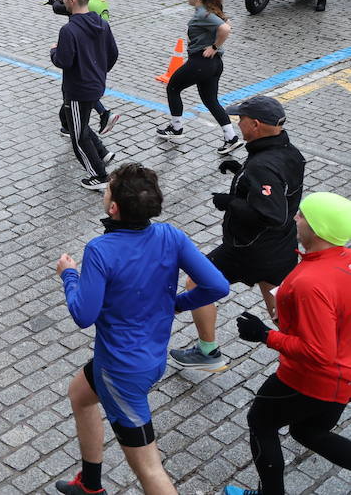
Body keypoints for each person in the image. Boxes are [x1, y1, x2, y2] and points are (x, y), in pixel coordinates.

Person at [53, 164, 229, 495]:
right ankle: (90, 485)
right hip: (147, 358)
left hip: (120, 373)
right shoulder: (171, 236)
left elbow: (83, 314)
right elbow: (217, 286)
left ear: (114, 207)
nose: (104, 192)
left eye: (107, 189)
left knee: (149, 469)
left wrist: (69, 275)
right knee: (80, 394)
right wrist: (177, 303)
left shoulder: (100, 250)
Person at [221, 192, 351, 495]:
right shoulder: (344, 262)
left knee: (261, 422)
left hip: (308, 380)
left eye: (303, 215)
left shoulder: (311, 283)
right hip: (340, 381)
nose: (296, 219)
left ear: (318, 229)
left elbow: (319, 353)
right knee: (308, 430)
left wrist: (264, 335)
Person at [169, 95, 304, 373]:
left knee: (197, 283)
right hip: (281, 250)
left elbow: (273, 213)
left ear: (255, 125)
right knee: (282, 313)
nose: (237, 122)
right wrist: (241, 175)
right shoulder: (290, 153)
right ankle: (314, 356)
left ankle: (208, 352)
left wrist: (231, 201)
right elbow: (278, 191)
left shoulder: (262, 165)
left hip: (247, 249)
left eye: (240, 119)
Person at [48, 0, 136, 136]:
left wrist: (56, 2)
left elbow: (63, 10)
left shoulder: (90, 5)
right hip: (92, 51)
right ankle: (76, 124)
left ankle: (86, 124)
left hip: (87, 51)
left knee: (75, 94)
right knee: (75, 94)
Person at [155, 0, 242, 155]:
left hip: (201, 63)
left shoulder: (203, 14)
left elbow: (225, 28)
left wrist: (214, 47)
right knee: (210, 101)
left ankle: (176, 129)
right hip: (215, 65)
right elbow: (227, 22)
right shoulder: (209, 12)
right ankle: (231, 138)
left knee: (173, 87)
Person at [51, 0, 118, 191]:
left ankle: (99, 176)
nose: (63, 1)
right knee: (81, 125)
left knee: (78, 137)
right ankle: (102, 153)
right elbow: (113, 54)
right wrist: (98, 72)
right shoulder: (102, 24)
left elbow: (63, 61)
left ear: (72, 0)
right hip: (96, 85)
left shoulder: (68, 30)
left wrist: (54, 50)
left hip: (78, 90)